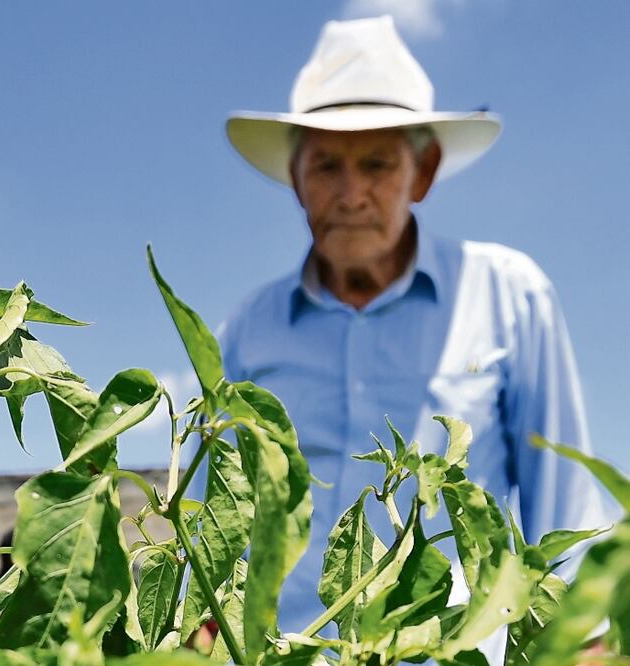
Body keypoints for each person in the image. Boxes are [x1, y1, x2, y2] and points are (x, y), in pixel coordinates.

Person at [215, 15, 614, 657]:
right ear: (295, 178)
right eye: (326, 167)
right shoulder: (248, 329)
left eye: (377, 164)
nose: (351, 194)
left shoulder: (509, 294)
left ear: (422, 172)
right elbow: (223, 524)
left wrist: (582, 646)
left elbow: (563, 510)